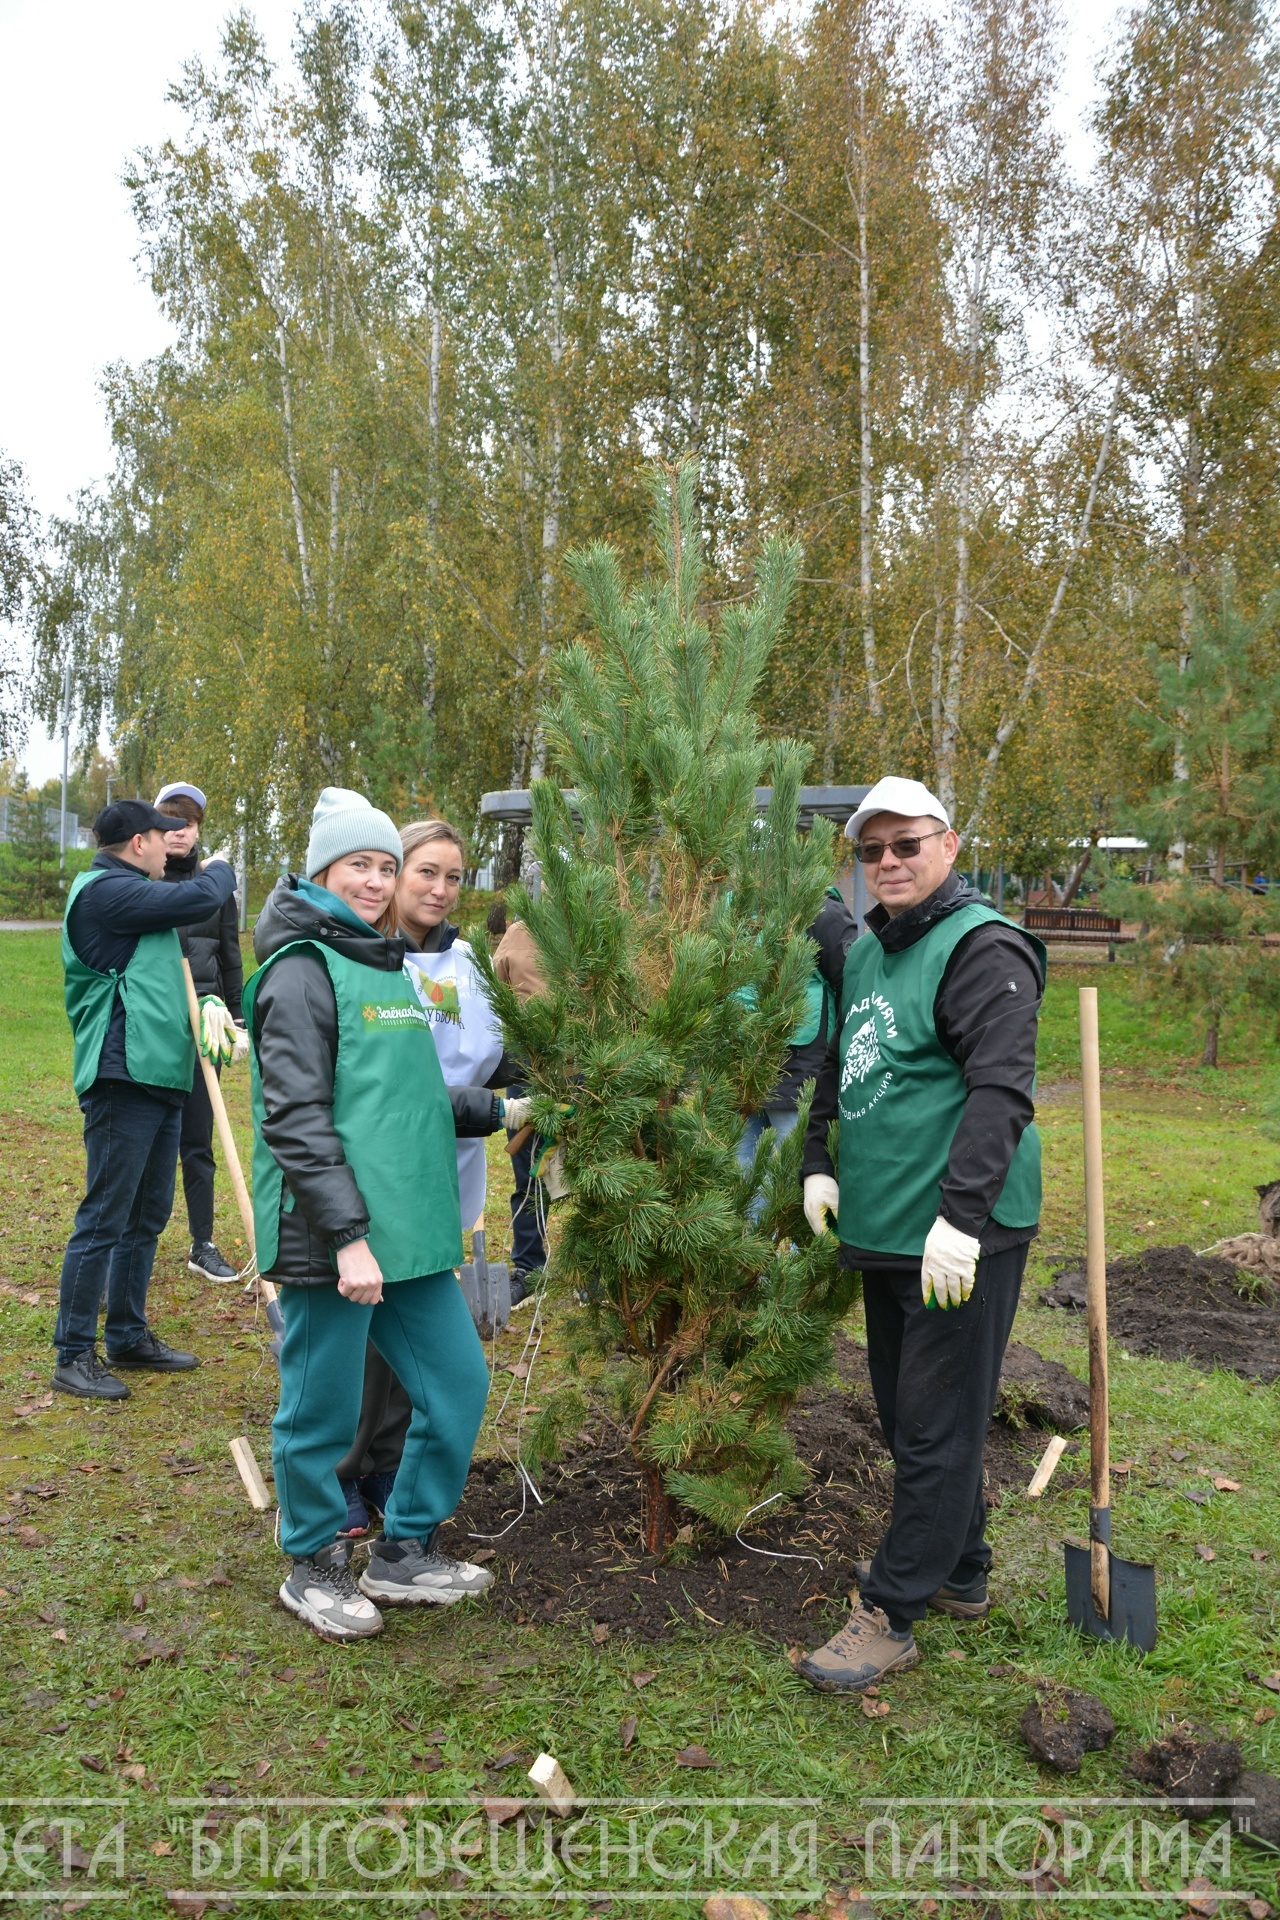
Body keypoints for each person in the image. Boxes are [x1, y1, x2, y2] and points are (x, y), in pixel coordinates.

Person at [797, 776, 1044, 1694]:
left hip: (956, 1232)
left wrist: (960, 1219)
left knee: (935, 1420)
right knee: (911, 1414)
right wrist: (816, 1160)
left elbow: (1000, 1091)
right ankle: (964, 1570)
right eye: (872, 852)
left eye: (907, 845)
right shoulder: (869, 951)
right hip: (889, 1224)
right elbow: (840, 1060)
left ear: (948, 845)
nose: (889, 863)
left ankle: (892, 1610)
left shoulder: (981, 949)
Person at [244, 787, 495, 1642]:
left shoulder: (382, 965)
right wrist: (347, 1238)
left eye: (388, 867)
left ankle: (407, 1548)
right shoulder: (301, 971)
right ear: (321, 869)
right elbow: (298, 1119)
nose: (378, 881)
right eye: (362, 864)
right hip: (333, 1239)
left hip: (410, 1232)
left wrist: (502, 1112)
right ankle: (312, 1562)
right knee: (321, 1407)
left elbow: (403, 1099)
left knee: (457, 1386)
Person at [332, 818, 528, 1540]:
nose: (440, 889)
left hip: (450, 1171)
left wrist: (530, 1085)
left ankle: (387, 1461)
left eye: (453, 876)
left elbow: (496, 1052)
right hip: (382, 1173)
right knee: (363, 1329)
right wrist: (502, 1109)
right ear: (394, 875)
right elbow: (394, 1091)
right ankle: (340, 1472)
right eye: (425, 873)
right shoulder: (366, 963)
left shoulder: (470, 965)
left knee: (410, 1336)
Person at [53, 798, 238, 1402]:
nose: (171, 846)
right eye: (164, 836)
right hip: (121, 1075)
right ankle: (73, 1353)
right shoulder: (108, 892)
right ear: (139, 842)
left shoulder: (135, 893)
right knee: (106, 1216)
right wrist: (222, 865)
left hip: (159, 1074)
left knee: (146, 1215)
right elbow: (202, 897)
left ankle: (127, 1336)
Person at [155, 782, 247, 1284]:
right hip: (154, 1029)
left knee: (198, 1140)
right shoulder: (142, 882)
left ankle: (202, 1242)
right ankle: (132, 1242)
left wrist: (235, 1015)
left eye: (186, 824)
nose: (177, 833)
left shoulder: (216, 888)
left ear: (198, 829)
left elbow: (230, 954)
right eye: (169, 822)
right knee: (147, 1142)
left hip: (202, 1028)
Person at [738, 885, 857, 1186]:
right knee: (744, 1184)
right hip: (741, 1076)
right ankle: (756, 1236)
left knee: (801, 1182)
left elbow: (852, 987)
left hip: (799, 1081)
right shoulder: (739, 906)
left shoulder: (822, 911)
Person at [490, 900, 550, 1290]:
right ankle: (529, 1267)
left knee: (596, 1175)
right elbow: (495, 992)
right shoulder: (518, 934)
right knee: (529, 1173)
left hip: (590, 1069)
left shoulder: (597, 928)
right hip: (528, 1067)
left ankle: (596, 1274)